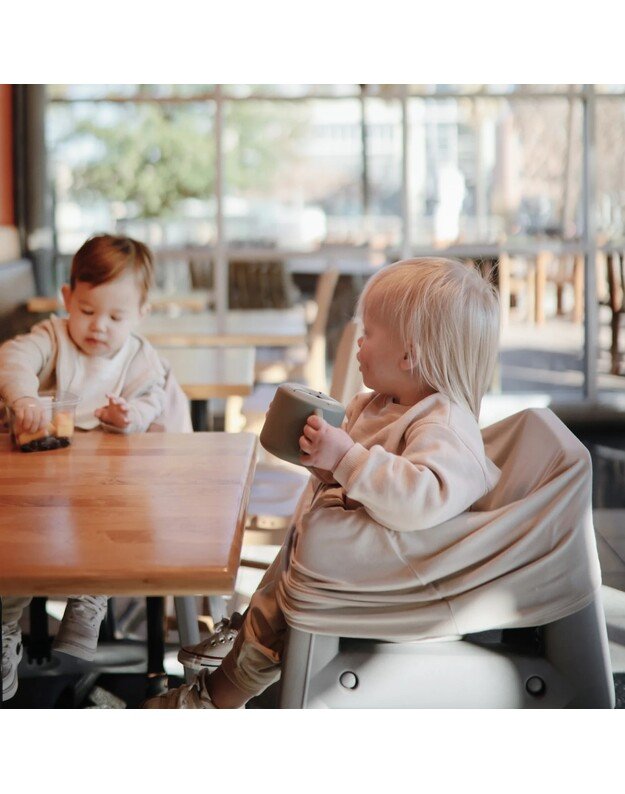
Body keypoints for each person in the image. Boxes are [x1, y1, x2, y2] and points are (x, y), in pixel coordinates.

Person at [145, 256, 501, 708]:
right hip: (339, 563)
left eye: (368, 334)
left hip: (392, 579)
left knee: (272, 617)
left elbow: (420, 499)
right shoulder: (382, 404)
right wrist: (326, 464)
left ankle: (215, 699)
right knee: (275, 591)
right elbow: (365, 483)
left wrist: (347, 458)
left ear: (409, 354)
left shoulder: (444, 423)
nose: (358, 345)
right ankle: (238, 657)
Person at [0, 233, 183, 702]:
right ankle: (5, 630)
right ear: (67, 299)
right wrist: (23, 398)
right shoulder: (52, 337)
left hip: (107, 478)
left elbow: (151, 401)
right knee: (15, 551)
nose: (98, 326)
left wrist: (130, 418)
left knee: (112, 522)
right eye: (86, 311)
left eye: (116, 316)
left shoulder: (142, 358)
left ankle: (91, 597)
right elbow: (11, 357)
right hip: (43, 475)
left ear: (141, 313)